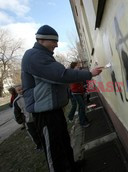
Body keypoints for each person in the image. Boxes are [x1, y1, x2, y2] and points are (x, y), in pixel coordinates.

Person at [21, 25, 102, 172]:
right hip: (44, 114)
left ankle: (70, 166)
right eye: (54, 41)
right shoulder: (34, 56)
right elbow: (61, 75)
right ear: (42, 40)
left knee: (63, 142)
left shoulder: (43, 56)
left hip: (54, 111)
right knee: (54, 150)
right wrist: (89, 74)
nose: (57, 45)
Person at [13, 85, 42, 150]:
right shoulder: (16, 101)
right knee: (33, 134)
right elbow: (16, 112)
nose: (21, 91)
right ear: (16, 92)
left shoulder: (30, 95)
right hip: (28, 121)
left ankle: (43, 142)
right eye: (19, 90)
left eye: (22, 89)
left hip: (36, 118)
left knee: (40, 131)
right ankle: (39, 145)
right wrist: (21, 120)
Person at [67, 62, 90, 127]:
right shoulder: (72, 74)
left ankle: (84, 120)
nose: (79, 67)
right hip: (76, 92)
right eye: (77, 66)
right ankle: (82, 122)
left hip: (79, 92)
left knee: (82, 107)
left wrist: (84, 88)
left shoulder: (76, 73)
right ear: (73, 67)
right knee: (81, 106)